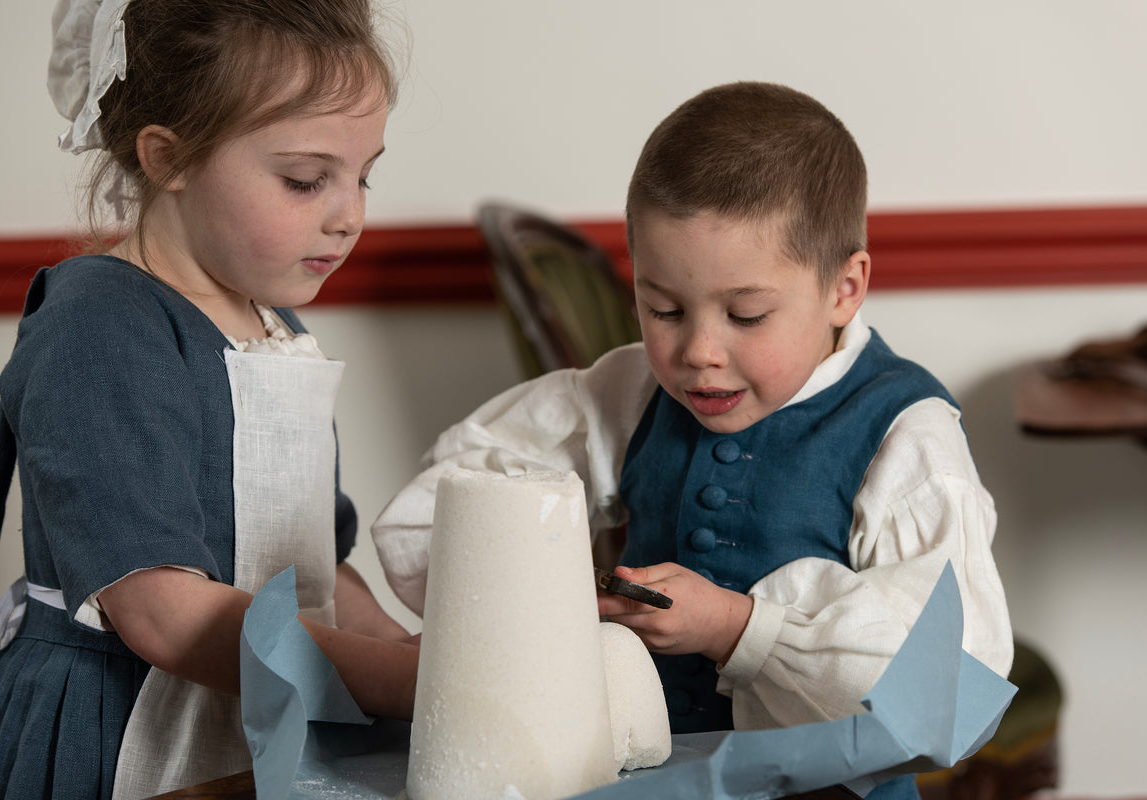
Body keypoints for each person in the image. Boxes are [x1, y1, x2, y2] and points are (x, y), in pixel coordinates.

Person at [372, 82, 1013, 799]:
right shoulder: (630, 391)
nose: (699, 351)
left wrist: (744, 629)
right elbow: (457, 501)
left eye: (746, 314)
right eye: (664, 308)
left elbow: (949, 682)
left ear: (845, 287)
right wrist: (545, 592)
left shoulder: (907, 434)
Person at [0, 0, 418, 797]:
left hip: (259, 721)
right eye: (306, 180)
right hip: (112, 734)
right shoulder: (97, 325)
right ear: (168, 157)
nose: (350, 217)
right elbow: (163, 614)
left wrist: (416, 654)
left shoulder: (277, 328)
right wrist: (394, 681)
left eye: (363, 175)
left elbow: (317, 569)